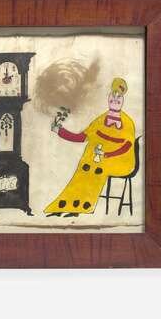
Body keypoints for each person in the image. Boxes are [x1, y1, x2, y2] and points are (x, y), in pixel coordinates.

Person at [44, 78, 135, 217]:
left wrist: (108, 155)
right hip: (99, 157)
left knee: (96, 169)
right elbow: (82, 137)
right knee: (85, 167)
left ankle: (81, 207)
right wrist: (59, 131)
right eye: (112, 97)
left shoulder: (128, 123)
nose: (115, 100)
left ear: (123, 101)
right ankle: (65, 205)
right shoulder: (100, 120)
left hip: (120, 160)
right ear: (108, 98)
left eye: (119, 98)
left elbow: (127, 146)